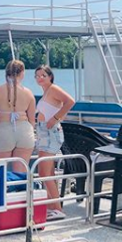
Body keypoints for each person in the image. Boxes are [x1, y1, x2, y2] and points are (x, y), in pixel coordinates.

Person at [35, 65, 75, 221]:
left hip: (50, 131)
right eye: (37, 76)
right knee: (46, 171)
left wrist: (56, 118)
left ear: (50, 76)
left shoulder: (53, 89)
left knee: (45, 172)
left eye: (43, 75)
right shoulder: (46, 92)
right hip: (43, 131)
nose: (40, 78)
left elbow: (70, 101)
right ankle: (52, 205)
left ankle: (57, 208)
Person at [0, 60, 36, 173]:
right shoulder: (29, 93)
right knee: (21, 172)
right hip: (24, 131)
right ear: (22, 73)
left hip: (4, 130)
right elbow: (32, 120)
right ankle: (19, 190)